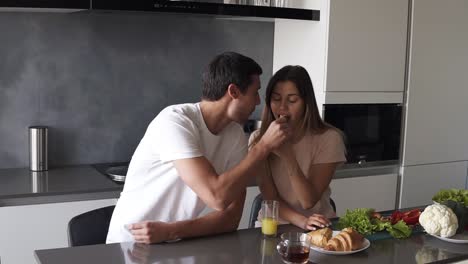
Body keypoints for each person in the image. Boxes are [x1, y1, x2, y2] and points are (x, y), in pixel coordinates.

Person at [106, 52, 290, 244]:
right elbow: (216, 196)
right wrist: (264, 146)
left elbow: (230, 219)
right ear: (233, 92)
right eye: (255, 92)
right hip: (130, 243)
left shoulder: (234, 134)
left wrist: (171, 231)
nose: (258, 101)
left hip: (176, 242)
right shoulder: (174, 121)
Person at [250, 65, 346, 231]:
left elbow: (308, 201)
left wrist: (287, 155)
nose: (282, 107)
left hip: (317, 226)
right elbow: (270, 197)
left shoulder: (329, 138)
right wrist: (301, 220)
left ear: (306, 102)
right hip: (273, 225)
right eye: (276, 99)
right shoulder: (258, 139)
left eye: (292, 100)